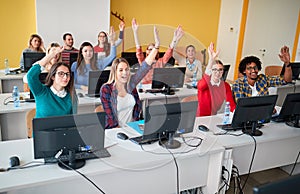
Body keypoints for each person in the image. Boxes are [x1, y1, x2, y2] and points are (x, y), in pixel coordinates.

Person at [100, 26, 160, 129]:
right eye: (121, 70)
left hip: (134, 128)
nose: (125, 73)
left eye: (127, 69)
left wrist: (157, 46)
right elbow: (110, 119)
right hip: (116, 131)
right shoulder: (106, 89)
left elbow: (145, 67)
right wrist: (124, 133)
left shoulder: (131, 84)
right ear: (114, 72)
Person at [27, 46, 77, 118]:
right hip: (42, 129)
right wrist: (52, 54)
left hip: (63, 129)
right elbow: (31, 76)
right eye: (61, 74)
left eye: (67, 74)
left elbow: (72, 120)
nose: (65, 77)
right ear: (53, 76)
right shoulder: (41, 91)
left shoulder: (71, 95)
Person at [132, 18, 184, 84]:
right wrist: (135, 32)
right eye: (150, 49)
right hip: (145, 88)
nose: (152, 51)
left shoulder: (160, 62)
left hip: (157, 88)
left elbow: (169, 52)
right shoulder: (143, 61)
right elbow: (138, 49)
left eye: (154, 49)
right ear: (147, 51)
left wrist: (175, 38)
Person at [197, 42, 236, 116]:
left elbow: (231, 104)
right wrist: (211, 60)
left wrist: (237, 114)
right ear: (210, 71)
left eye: (220, 70)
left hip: (213, 117)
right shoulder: (203, 84)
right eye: (214, 69)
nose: (217, 72)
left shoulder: (226, 86)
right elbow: (202, 85)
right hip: (199, 118)